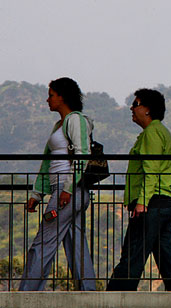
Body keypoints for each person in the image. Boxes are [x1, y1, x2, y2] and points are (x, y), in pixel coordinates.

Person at [106, 89, 171, 291]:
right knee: (166, 256)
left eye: (135, 104)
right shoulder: (160, 131)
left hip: (152, 204)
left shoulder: (152, 133)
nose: (131, 108)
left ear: (147, 110)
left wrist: (142, 202)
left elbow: (151, 170)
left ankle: (113, 298)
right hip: (164, 202)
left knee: (133, 255)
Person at [20, 77, 96, 291]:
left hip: (67, 191)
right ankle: (88, 292)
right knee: (76, 244)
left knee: (43, 241)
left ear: (62, 96)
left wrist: (67, 190)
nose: (47, 100)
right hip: (65, 191)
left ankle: (27, 294)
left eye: (51, 95)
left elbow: (82, 154)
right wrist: (37, 194)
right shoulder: (60, 124)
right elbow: (48, 164)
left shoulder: (75, 120)